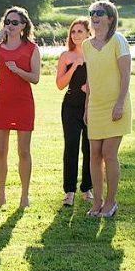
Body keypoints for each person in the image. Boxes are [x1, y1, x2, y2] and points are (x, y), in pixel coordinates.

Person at [0, 6, 41, 209]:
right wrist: (0, 37)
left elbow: (35, 78)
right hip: (3, 103)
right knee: (1, 151)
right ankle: (1, 195)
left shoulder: (32, 48)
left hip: (24, 103)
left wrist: (18, 71)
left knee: (23, 151)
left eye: (14, 22)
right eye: (7, 22)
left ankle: (24, 195)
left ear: (23, 26)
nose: (10, 25)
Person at [82, 0, 131, 218]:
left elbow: (125, 75)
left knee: (109, 153)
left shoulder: (118, 41)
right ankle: (97, 203)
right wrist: (86, 108)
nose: (95, 16)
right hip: (95, 107)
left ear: (110, 18)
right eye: (92, 12)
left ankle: (111, 203)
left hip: (115, 106)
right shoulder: (86, 45)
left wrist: (120, 103)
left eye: (100, 13)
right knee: (94, 154)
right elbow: (90, 80)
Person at [56, 18, 93, 206]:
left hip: (91, 107)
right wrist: (75, 66)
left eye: (80, 31)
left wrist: (92, 87)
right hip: (70, 106)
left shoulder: (95, 55)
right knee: (71, 147)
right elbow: (60, 84)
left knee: (89, 148)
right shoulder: (66, 56)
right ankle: (69, 191)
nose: (76, 35)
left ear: (88, 33)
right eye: (73, 32)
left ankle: (87, 188)